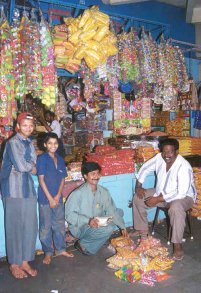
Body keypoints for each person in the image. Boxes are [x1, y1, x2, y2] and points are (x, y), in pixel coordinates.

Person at [133, 138, 196, 260]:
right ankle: (143, 232)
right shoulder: (159, 158)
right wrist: (138, 186)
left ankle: (177, 245)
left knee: (176, 208)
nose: (166, 155)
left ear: (176, 152)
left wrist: (158, 199)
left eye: (170, 152)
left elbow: (181, 192)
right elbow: (145, 168)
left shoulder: (184, 166)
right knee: (138, 197)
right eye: (164, 151)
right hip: (161, 193)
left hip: (183, 198)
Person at [0, 112, 38, 279]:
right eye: (24, 125)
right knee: (14, 227)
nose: (28, 128)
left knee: (30, 225)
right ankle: (14, 263)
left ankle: (25, 260)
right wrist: (30, 166)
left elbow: (31, 163)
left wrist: (29, 166)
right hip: (12, 189)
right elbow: (24, 166)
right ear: (18, 126)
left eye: (30, 125)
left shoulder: (30, 143)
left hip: (28, 188)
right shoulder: (13, 142)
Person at [65, 161, 128, 255]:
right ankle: (83, 244)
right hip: (81, 226)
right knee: (109, 228)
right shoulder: (77, 194)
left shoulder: (103, 191)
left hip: (96, 220)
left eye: (98, 173)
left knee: (119, 212)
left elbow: (111, 209)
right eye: (93, 174)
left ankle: (96, 237)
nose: (96, 176)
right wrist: (88, 220)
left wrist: (122, 227)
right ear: (85, 176)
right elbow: (69, 215)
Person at [36, 132, 74, 265]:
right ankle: (47, 252)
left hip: (58, 198)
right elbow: (41, 180)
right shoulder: (42, 158)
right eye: (50, 143)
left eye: (55, 143)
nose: (53, 145)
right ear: (45, 145)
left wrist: (57, 196)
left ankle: (60, 249)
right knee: (45, 227)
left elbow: (63, 179)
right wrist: (50, 198)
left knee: (59, 225)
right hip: (45, 199)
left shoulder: (60, 158)